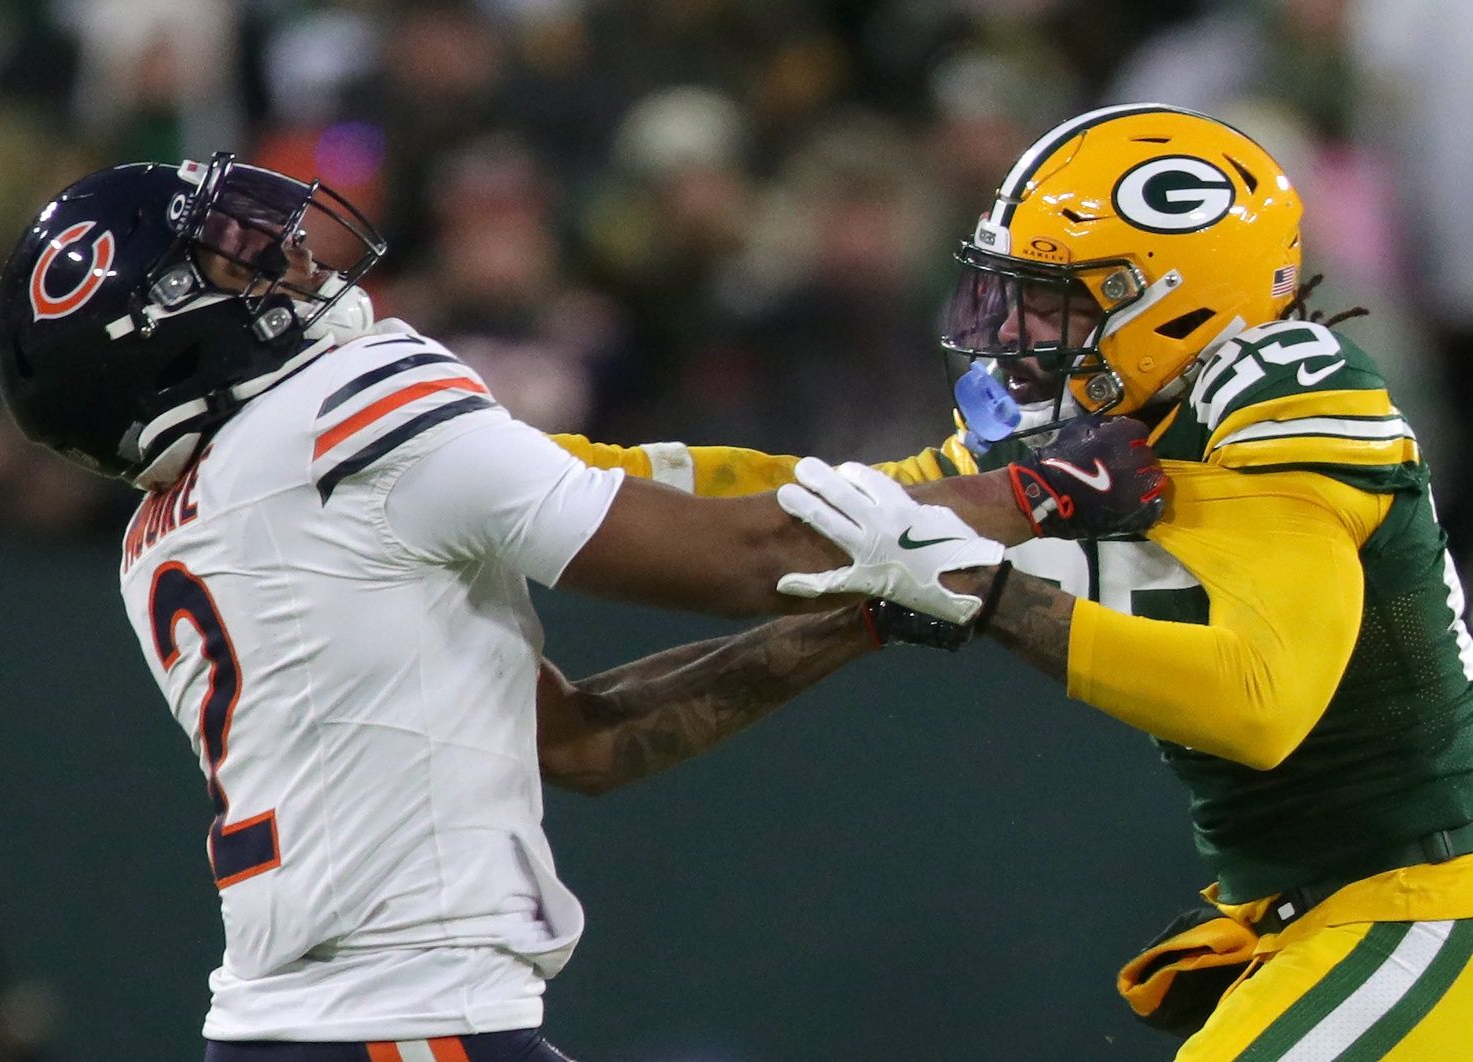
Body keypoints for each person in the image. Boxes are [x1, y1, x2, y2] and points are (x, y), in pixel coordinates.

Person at [0, 154, 1164, 1060]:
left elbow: (582, 743)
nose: (294, 261)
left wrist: (856, 622)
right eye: (244, 261)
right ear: (168, 332)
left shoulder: (174, 531)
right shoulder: (342, 413)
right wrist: (1037, 491)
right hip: (408, 1020)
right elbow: (751, 548)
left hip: (296, 1026)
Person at [565, 104, 1473, 1059]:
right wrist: (537, 463)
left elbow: (1261, 702)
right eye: (1014, 290)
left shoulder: (1285, 384)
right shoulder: (1090, 427)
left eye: (1060, 299)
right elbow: (828, 500)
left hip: (1421, 899)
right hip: (1325, 912)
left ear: (1185, 296)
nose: (1018, 326)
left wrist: (988, 590)